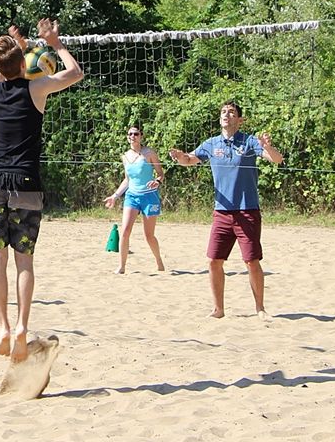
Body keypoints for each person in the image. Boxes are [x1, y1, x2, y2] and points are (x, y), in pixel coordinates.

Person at [0, 18, 83, 362]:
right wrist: (54, 41)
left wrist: (18, 49)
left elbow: (3, 70)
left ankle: (2, 328)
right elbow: (75, 73)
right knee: (24, 261)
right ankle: (22, 326)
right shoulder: (36, 89)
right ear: (23, 64)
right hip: (25, 184)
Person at [168, 101, 283, 319]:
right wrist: (180, 156)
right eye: (223, 112)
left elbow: (277, 160)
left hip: (247, 210)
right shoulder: (211, 144)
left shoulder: (249, 141)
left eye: (231, 112)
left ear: (240, 120)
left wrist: (268, 147)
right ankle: (218, 309)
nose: (226, 115)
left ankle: (260, 309)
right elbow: (189, 160)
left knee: (251, 261)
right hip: (222, 212)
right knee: (214, 261)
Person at [104, 125, 166, 274]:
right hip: (132, 196)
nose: (133, 136)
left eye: (136, 134)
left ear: (141, 136)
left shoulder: (149, 153)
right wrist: (115, 196)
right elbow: (127, 180)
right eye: (130, 134)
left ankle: (159, 261)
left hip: (149, 196)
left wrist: (157, 181)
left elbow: (160, 173)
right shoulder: (125, 156)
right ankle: (122, 266)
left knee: (149, 236)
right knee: (125, 231)